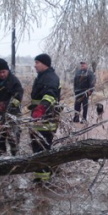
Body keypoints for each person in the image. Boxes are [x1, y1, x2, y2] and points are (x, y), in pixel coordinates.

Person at [29, 53, 61, 184]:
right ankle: (39, 176)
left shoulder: (50, 78)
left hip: (46, 119)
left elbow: (50, 95)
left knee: (42, 148)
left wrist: (40, 109)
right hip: (39, 119)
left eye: (37, 62)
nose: (35, 65)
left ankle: (44, 180)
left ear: (44, 64)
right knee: (37, 147)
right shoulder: (42, 77)